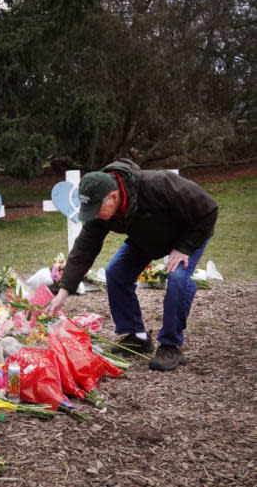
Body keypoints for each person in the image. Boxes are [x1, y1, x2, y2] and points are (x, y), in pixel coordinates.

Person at [44, 159, 217, 371]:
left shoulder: (158, 183)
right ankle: (138, 336)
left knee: (178, 279)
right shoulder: (101, 206)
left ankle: (171, 345)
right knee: (115, 273)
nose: (94, 215)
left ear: (114, 196)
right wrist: (63, 292)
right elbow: (84, 249)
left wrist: (185, 247)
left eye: (97, 209)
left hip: (187, 237)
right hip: (147, 238)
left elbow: (208, 209)